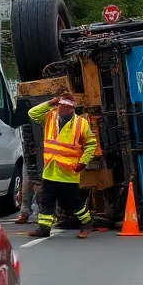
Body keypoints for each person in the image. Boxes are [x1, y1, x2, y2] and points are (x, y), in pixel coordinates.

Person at [26, 92, 97, 239]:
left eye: (68, 107)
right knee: (46, 199)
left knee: (72, 201)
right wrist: (51, 102)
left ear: (73, 108)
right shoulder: (49, 116)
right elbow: (32, 113)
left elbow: (91, 144)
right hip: (50, 169)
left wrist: (83, 162)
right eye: (62, 106)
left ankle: (87, 222)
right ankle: (44, 228)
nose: (65, 109)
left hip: (68, 171)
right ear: (58, 105)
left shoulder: (81, 123)